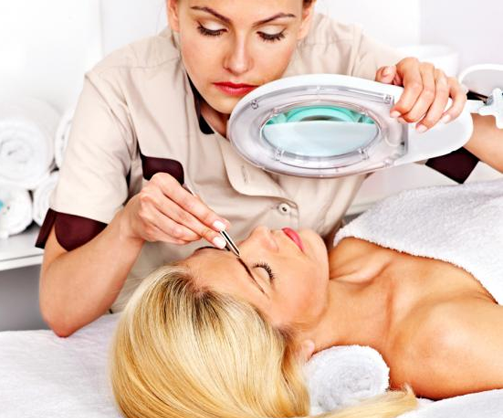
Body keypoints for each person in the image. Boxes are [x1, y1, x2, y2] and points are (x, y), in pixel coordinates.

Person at [36, 0, 500, 337]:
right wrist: (129, 227)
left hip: (294, 325)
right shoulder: (120, 87)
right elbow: (60, 309)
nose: (238, 63)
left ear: (305, 19)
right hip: (180, 341)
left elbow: (474, 138)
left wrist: (440, 105)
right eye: (211, 28)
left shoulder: (343, 57)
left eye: (271, 33)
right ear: (173, 11)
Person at [109, 180, 503, 418]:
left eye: (227, 247)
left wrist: (460, 123)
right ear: (296, 353)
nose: (260, 235)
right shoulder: (440, 344)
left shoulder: (345, 253)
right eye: (260, 273)